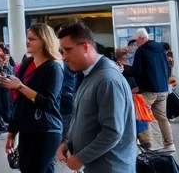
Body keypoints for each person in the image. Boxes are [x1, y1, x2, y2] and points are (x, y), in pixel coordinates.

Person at [57, 22, 136, 173]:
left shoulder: (107, 80)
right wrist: (67, 142)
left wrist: (81, 158)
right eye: (62, 50)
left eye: (68, 50)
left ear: (85, 47)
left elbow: (112, 132)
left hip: (111, 168)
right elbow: (82, 118)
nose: (64, 57)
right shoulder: (90, 75)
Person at [1, 23, 63, 173]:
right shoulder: (28, 63)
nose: (27, 42)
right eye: (28, 38)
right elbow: (19, 101)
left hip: (46, 130)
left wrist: (20, 86)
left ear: (44, 41)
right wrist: (12, 131)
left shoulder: (53, 67)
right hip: (27, 128)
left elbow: (49, 102)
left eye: (32, 39)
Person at [130, 28, 175, 152]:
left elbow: (137, 70)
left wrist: (137, 85)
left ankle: (147, 145)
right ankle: (169, 144)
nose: (136, 43)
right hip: (162, 89)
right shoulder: (160, 49)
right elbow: (167, 68)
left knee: (144, 116)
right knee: (162, 117)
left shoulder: (141, 50)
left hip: (148, 90)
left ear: (142, 38)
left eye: (137, 40)